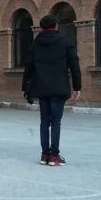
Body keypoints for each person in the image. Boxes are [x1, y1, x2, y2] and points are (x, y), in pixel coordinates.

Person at [22, 15, 81, 166]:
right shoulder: (65, 42)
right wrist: (77, 87)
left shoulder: (35, 44)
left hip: (42, 87)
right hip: (59, 87)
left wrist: (24, 87)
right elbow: (75, 66)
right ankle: (54, 156)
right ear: (56, 26)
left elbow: (28, 67)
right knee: (56, 122)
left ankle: (44, 155)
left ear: (42, 27)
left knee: (44, 121)